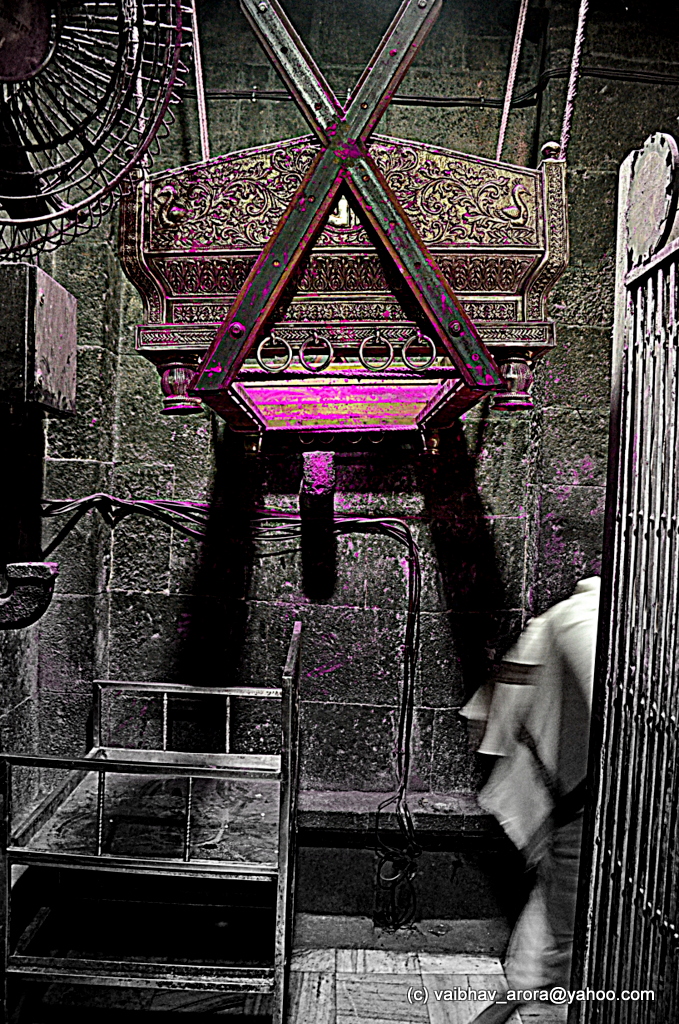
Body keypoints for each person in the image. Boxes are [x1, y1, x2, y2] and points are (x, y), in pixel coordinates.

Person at [460, 576, 600, 1024]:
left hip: (578, 806)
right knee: (558, 947)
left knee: (545, 951)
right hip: (579, 808)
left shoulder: (574, 617)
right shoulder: (585, 619)